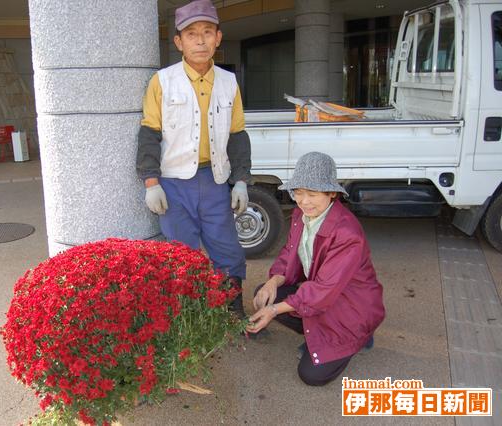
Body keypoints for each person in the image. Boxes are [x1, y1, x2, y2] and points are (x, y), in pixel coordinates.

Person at [136, 0, 251, 316]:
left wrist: (240, 181)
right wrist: (151, 182)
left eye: (207, 32)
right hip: (173, 183)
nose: (200, 40)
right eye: (191, 34)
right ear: (179, 42)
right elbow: (149, 133)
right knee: (180, 253)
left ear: (218, 37)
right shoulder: (162, 81)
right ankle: (189, 316)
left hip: (215, 180)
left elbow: (238, 136)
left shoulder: (229, 82)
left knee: (226, 247)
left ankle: (231, 309)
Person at [245, 151, 385, 386]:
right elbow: (289, 253)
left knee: (311, 376)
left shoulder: (347, 234)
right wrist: (272, 283)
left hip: (350, 308)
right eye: (299, 192)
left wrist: (274, 311)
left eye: (312, 193)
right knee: (265, 293)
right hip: (322, 297)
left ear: (331, 194)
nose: (304, 201)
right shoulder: (301, 215)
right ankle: (316, 332)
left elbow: (323, 289)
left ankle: (361, 335)